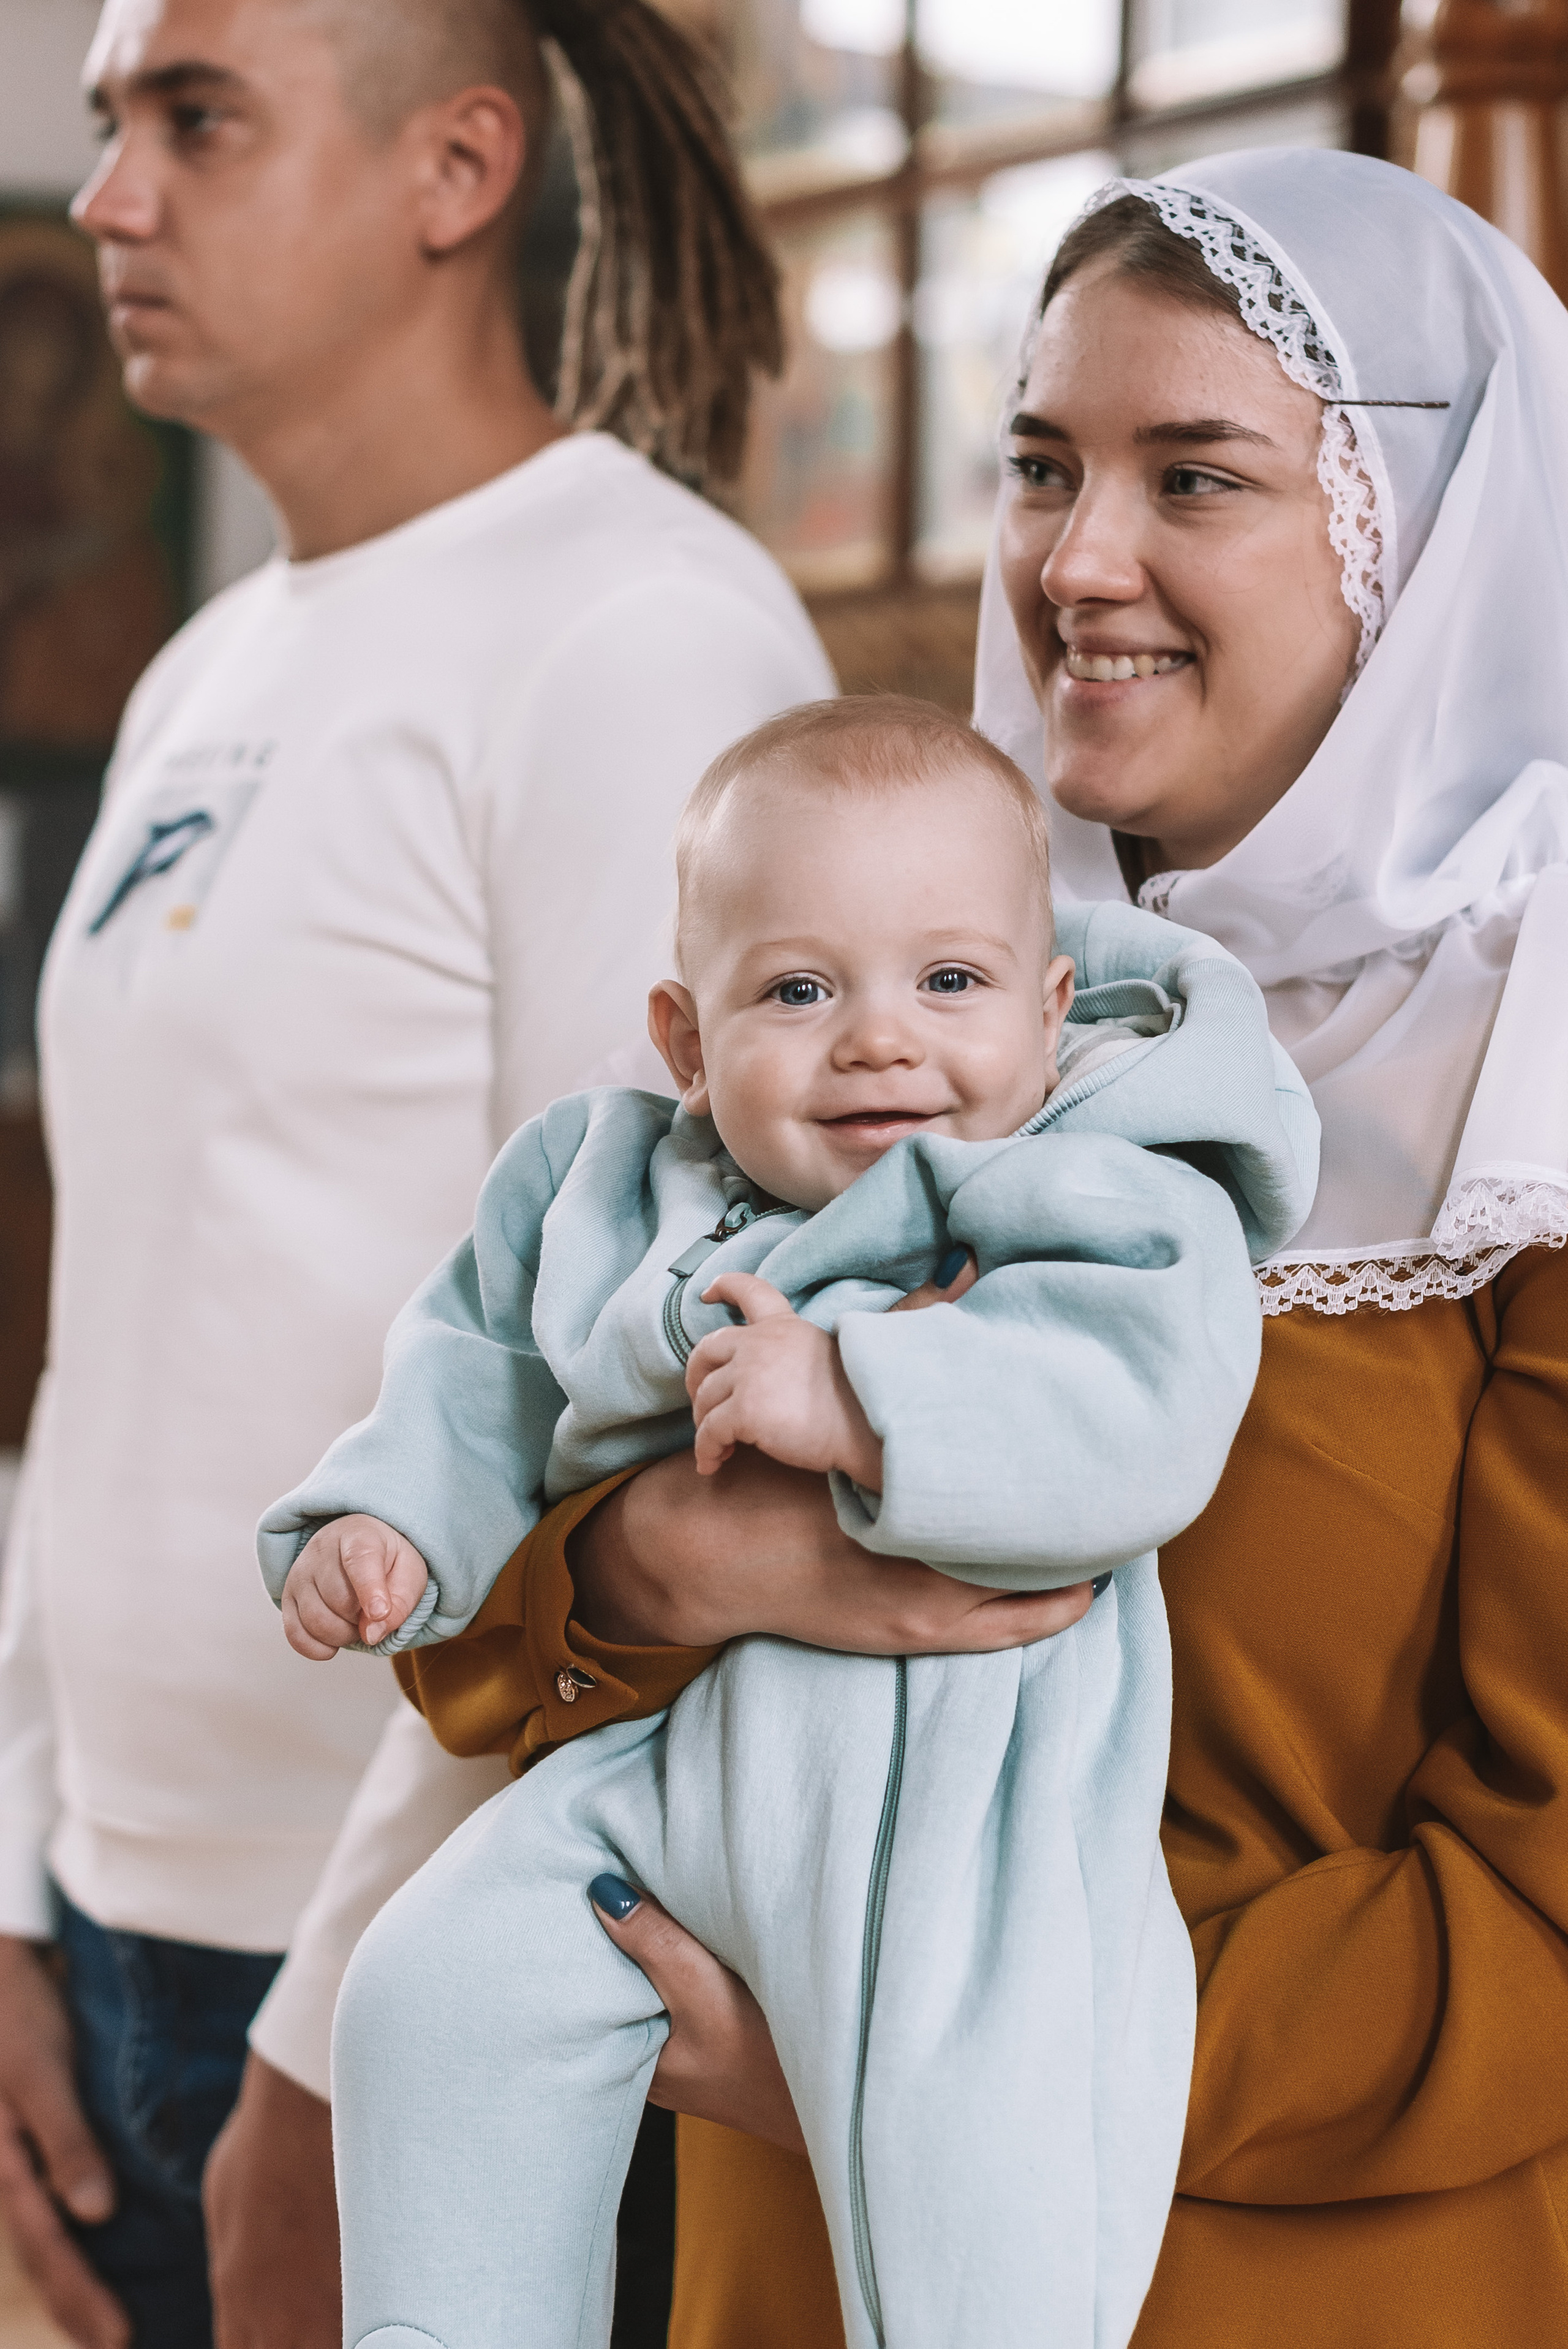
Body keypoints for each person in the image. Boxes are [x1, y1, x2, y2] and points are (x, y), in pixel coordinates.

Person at [444, 149, 1568, 2349]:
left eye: (1197, 476)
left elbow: (1544, 1913)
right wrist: (661, 1564)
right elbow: (483, 1624)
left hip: (1282, 2271)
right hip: (785, 2241)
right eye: (1044, 462)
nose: (1080, 560)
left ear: (1423, 539)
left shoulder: (1537, 1108)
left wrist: (918, 2062)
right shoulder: (914, 1004)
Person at [0, 0, 840, 2341]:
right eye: (102, 127)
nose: (108, 199)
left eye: (193, 117)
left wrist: (342, 2038)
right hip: (119, 1934)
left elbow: (614, 1402)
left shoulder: (641, 637)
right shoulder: (201, 668)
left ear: (454, 170)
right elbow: (123, 1311)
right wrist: (17, 1874)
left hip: (422, 1978)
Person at [260, 694, 1315, 2349]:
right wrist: (392, 1517)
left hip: (971, 1808)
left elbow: (1148, 1411)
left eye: (949, 981)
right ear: (686, 1039)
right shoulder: (607, 1186)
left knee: (979, 2166)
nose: (880, 1038)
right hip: (669, 1776)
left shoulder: (1095, 1181)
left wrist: (862, 1399)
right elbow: (473, 1366)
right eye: (801, 988)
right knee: (430, 1988)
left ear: (1049, 1011)